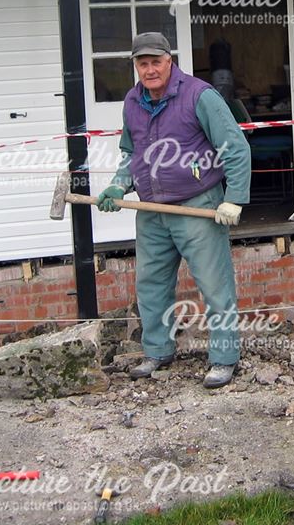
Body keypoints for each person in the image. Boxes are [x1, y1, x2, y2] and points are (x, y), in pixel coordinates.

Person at [97, 32, 251, 389]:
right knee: (150, 285)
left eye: (156, 62)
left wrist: (235, 197)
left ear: (170, 61)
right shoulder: (133, 101)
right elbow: (131, 152)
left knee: (214, 287)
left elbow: (236, 147)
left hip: (197, 204)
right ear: (136, 66)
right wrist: (120, 184)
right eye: (142, 63)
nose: (149, 69)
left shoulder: (200, 96)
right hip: (152, 209)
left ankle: (224, 359)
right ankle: (158, 351)